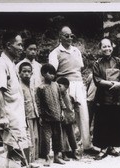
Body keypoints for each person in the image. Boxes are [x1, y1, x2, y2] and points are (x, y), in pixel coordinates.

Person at [0, 30, 36, 168]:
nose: (21, 47)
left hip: (16, 115)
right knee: (16, 152)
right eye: (18, 44)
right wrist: (3, 116)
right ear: (8, 45)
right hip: (10, 117)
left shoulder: (10, 64)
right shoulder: (0, 64)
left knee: (12, 152)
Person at [49, 26, 99, 156]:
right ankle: (67, 149)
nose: (70, 38)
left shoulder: (76, 50)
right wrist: (61, 87)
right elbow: (52, 72)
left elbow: (80, 68)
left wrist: (78, 83)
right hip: (64, 85)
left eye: (71, 36)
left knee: (83, 113)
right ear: (60, 37)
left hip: (78, 83)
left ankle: (87, 145)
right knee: (67, 116)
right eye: (66, 36)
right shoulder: (55, 53)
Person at [92, 38, 120, 160]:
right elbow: (97, 79)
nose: (107, 49)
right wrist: (111, 84)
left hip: (119, 95)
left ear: (112, 47)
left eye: (109, 46)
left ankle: (113, 146)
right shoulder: (97, 63)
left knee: (116, 120)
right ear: (100, 48)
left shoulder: (119, 61)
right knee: (104, 121)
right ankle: (103, 148)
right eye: (104, 47)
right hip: (104, 97)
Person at [36, 63, 66, 166]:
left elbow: (60, 99)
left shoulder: (56, 85)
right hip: (46, 117)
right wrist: (40, 115)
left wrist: (62, 111)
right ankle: (47, 157)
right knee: (46, 138)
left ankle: (57, 157)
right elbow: (38, 103)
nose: (53, 76)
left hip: (57, 115)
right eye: (50, 73)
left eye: (54, 74)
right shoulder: (40, 88)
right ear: (44, 74)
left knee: (57, 137)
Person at [18, 62, 40, 167]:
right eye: (24, 71)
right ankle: (28, 162)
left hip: (34, 114)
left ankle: (34, 159)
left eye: (29, 71)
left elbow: (34, 100)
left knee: (35, 137)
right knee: (28, 138)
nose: (26, 74)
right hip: (26, 116)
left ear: (32, 73)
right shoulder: (19, 86)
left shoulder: (31, 85)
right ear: (19, 73)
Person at [57, 77, 82, 161]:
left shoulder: (70, 96)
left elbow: (75, 105)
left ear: (66, 87)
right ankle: (64, 154)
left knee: (72, 136)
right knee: (62, 137)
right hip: (62, 120)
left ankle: (74, 151)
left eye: (60, 86)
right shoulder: (57, 97)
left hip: (70, 119)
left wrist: (76, 107)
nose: (58, 88)